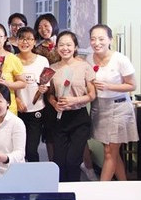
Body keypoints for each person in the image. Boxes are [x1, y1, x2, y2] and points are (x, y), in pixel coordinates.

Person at [86, 24, 138, 181]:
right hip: (99, 108)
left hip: (119, 107)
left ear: (110, 39)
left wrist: (109, 86)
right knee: (111, 152)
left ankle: (101, 191)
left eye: (101, 39)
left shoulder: (120, 59)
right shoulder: (89, 58)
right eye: (93, 39)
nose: (97, 43)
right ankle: (124, 184)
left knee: (110, 153)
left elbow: (132, 85)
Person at [48, 31, 96, 182]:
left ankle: (75, 192)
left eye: (69, 44)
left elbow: (92, 94)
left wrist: (75, 101)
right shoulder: (52, 68)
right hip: (59, 118)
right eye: (61, 45)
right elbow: (49, 94)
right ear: (56, 48)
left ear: (75, 47)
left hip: (79, 118)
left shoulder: (84, 66)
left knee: (73, 161)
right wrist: (55, 103)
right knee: (59, 162)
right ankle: (61, 195)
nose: (65, 48)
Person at [15, 27, 49, 162]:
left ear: (35, 42)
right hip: (17, 110)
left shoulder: (42, 61)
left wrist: (43, 89)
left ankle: (34, 178)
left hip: (36, 110)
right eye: (22, 38)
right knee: (18, 149)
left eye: (29, 38)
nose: (25, 42)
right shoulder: (12, 59)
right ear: (16, 41)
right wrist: (17, 100)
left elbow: (46, 84)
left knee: (31, 149)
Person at [32, 13, 61, 162]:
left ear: (53, 25)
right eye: (40, 27)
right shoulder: (37, 49)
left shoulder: (63, 44)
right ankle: (53, 163)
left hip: (64, 92)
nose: (43, 29)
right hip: (47, 94)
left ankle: (86, 167)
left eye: (46, 25)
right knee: (50, 133)